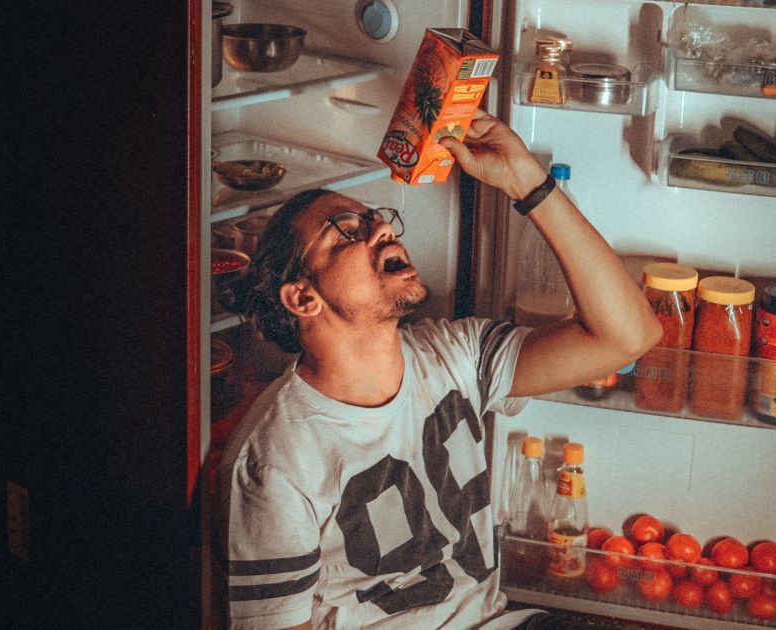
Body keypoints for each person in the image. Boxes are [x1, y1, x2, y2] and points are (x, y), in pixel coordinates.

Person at [219, 110, 661, 629]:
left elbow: (629, 336)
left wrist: (527, 181)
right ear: (302, 298)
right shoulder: (276, 459)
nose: (384, 228)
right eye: (348, 232)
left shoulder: (456, 354)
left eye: (377, 219)